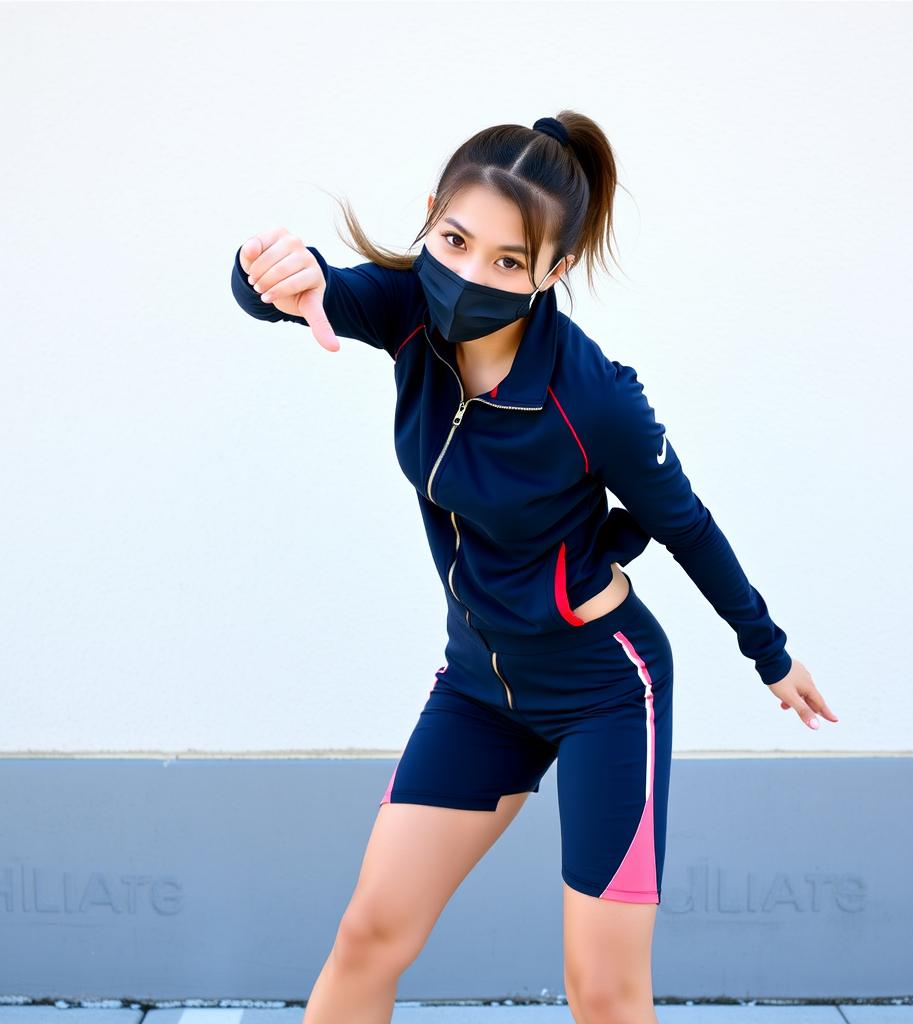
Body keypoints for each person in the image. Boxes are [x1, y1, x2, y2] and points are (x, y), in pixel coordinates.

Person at [231, 111, 838, 1024]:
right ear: (431, 217)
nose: (471, 274)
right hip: (480, 686)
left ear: (553, 271)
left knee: (601, 990)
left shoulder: (593, 397)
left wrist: (771, 653)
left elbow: (688, 526)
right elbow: (299, 294)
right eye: (456, 240)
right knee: (369, 936)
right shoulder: (409, 314)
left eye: (509, 261)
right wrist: (265, 277)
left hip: (603, 687)